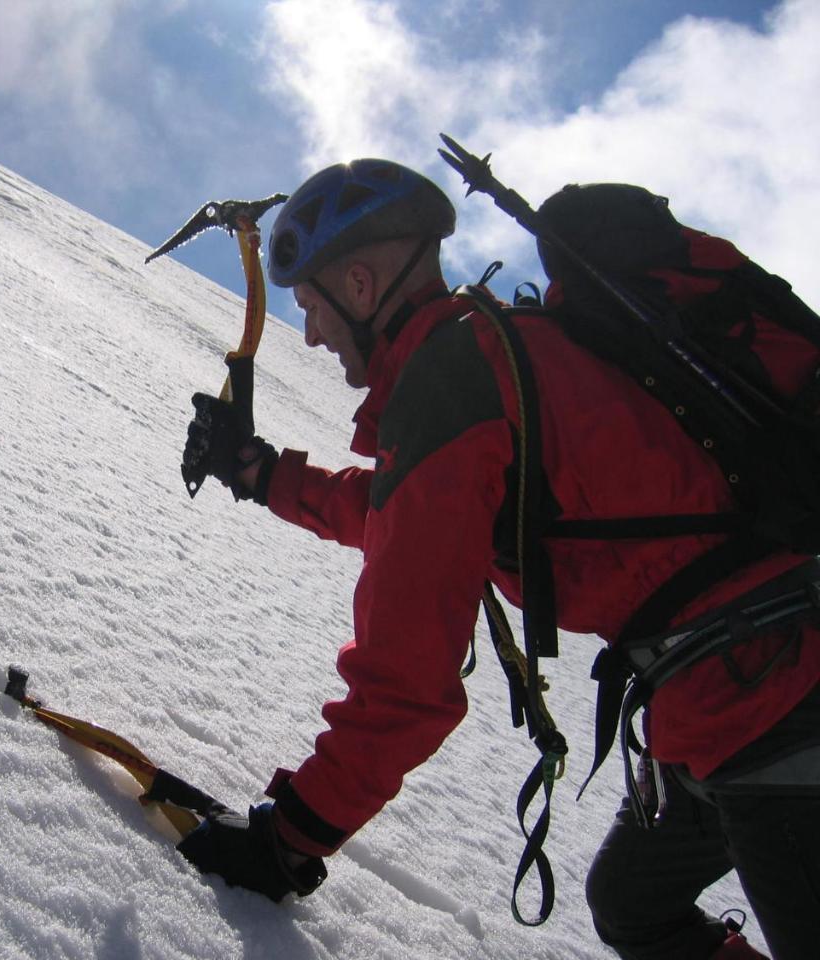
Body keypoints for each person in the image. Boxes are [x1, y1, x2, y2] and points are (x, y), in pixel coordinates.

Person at [177, 157, 820, 960]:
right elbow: (412, 519)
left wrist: (288, 841)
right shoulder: (493, 350)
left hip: (772, 700)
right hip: (737, 681)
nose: (309, 332)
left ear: (364, 283)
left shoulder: (450, 382)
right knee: (631, 906)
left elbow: (406, 686)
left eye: (311, 305)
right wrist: (265, 475)